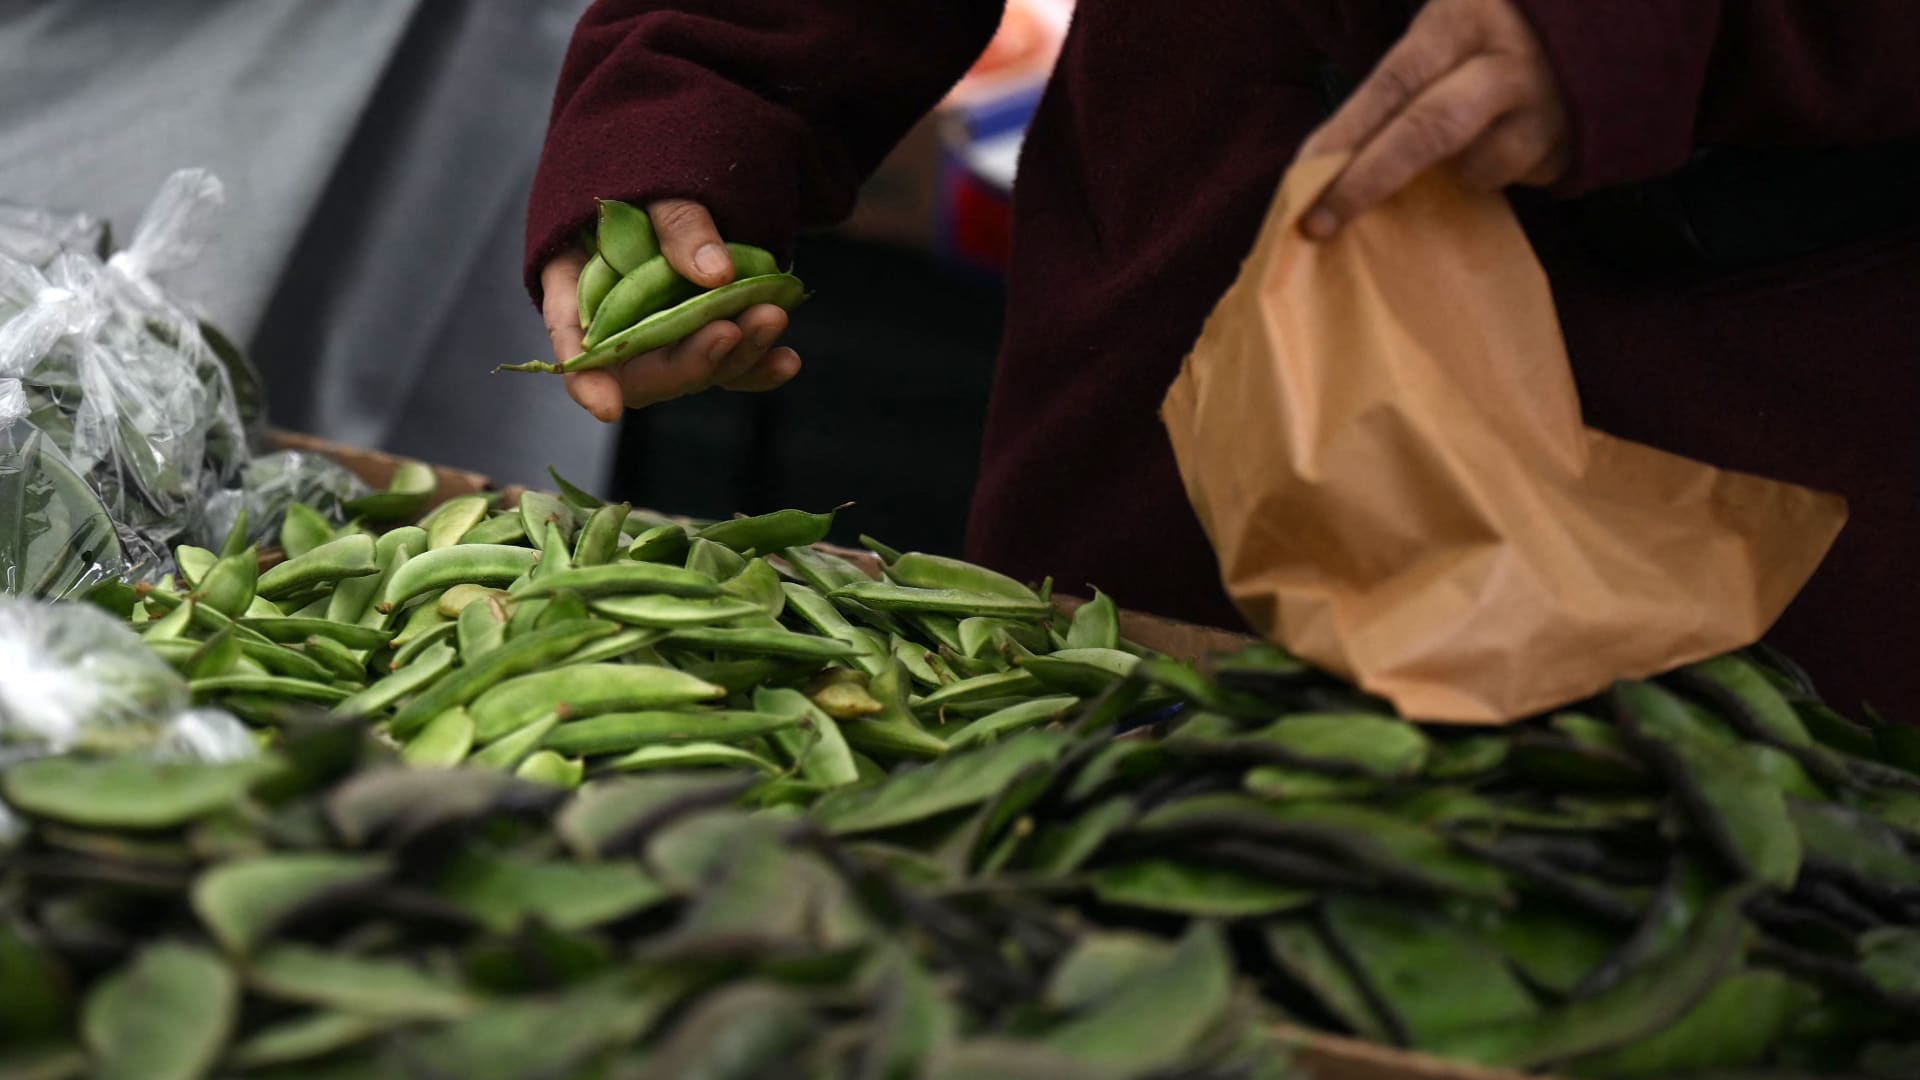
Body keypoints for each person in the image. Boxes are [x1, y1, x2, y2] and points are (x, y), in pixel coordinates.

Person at [524, 0, 1920, 713]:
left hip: (1734, 412)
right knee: (1093, 904)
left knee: (1680, 918)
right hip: (1176, 375)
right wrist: (693, 97)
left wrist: (1650, 31)